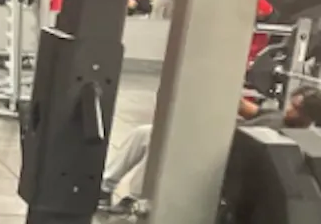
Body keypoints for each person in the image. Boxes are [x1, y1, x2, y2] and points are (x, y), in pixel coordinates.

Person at [100, 89, 321, 210]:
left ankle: (135, 198)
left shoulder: (293, 139)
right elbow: (247, 109)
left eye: (295, 108)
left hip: (219, 158)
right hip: (210, 140)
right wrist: (224, 86)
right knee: (144, 132)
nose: (289, 109)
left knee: (161, 143)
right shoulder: (278, 116)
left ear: (308, 116)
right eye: (291, 104)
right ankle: (104, 187)